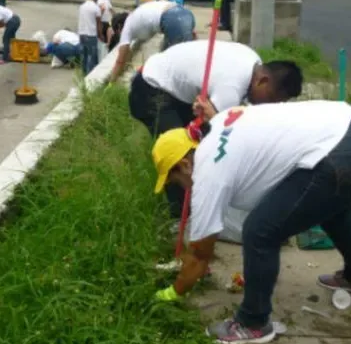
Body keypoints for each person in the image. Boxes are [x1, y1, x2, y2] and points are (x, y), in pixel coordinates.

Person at [151, 101, 351, 344]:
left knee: (260, 231)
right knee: (332, 207)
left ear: (185, 164)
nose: (181, 187)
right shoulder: (218, 123)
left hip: (336, 153)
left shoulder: (209, 172)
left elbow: (199, 254)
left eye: (175, 180)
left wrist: (172, 293)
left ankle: (253, 322)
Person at [130, 40, 303, 219]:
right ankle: (181, 219)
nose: (270, 105)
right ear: (263, 81)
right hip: (152, 88)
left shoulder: (254, 64)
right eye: (272, 98)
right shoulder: (231, 87)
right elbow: (221, 137)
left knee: (195, 152)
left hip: (176, 90)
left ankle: (197, 212)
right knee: (181, 156)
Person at [108, 0, 197, 84]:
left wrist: (111, 82)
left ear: (119, 27)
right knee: (180, 59)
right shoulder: (136, 15)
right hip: (186, 13)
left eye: (118, 33)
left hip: (173, 19)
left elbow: (120, 60)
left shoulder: (126, 27)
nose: (120, 36)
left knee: (168, 66)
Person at [77, 0, 103, 75]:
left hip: (81, 34)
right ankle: (89, 75)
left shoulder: (82, 6)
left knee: (83, 56)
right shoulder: (96, 8)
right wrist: (100, 35)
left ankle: (83, 74)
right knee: (91, 56)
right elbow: (98, 23)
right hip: (91, 35)